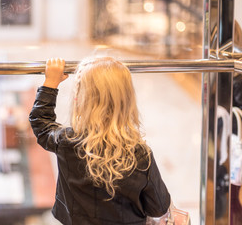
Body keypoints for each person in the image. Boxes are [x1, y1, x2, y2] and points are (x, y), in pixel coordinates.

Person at [29, 57, 171, 224]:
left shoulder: (67, 142)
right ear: (127, 101)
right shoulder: (139, 154)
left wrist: (50, 83)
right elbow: (158, 207)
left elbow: (41, 124)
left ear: (80, 100)